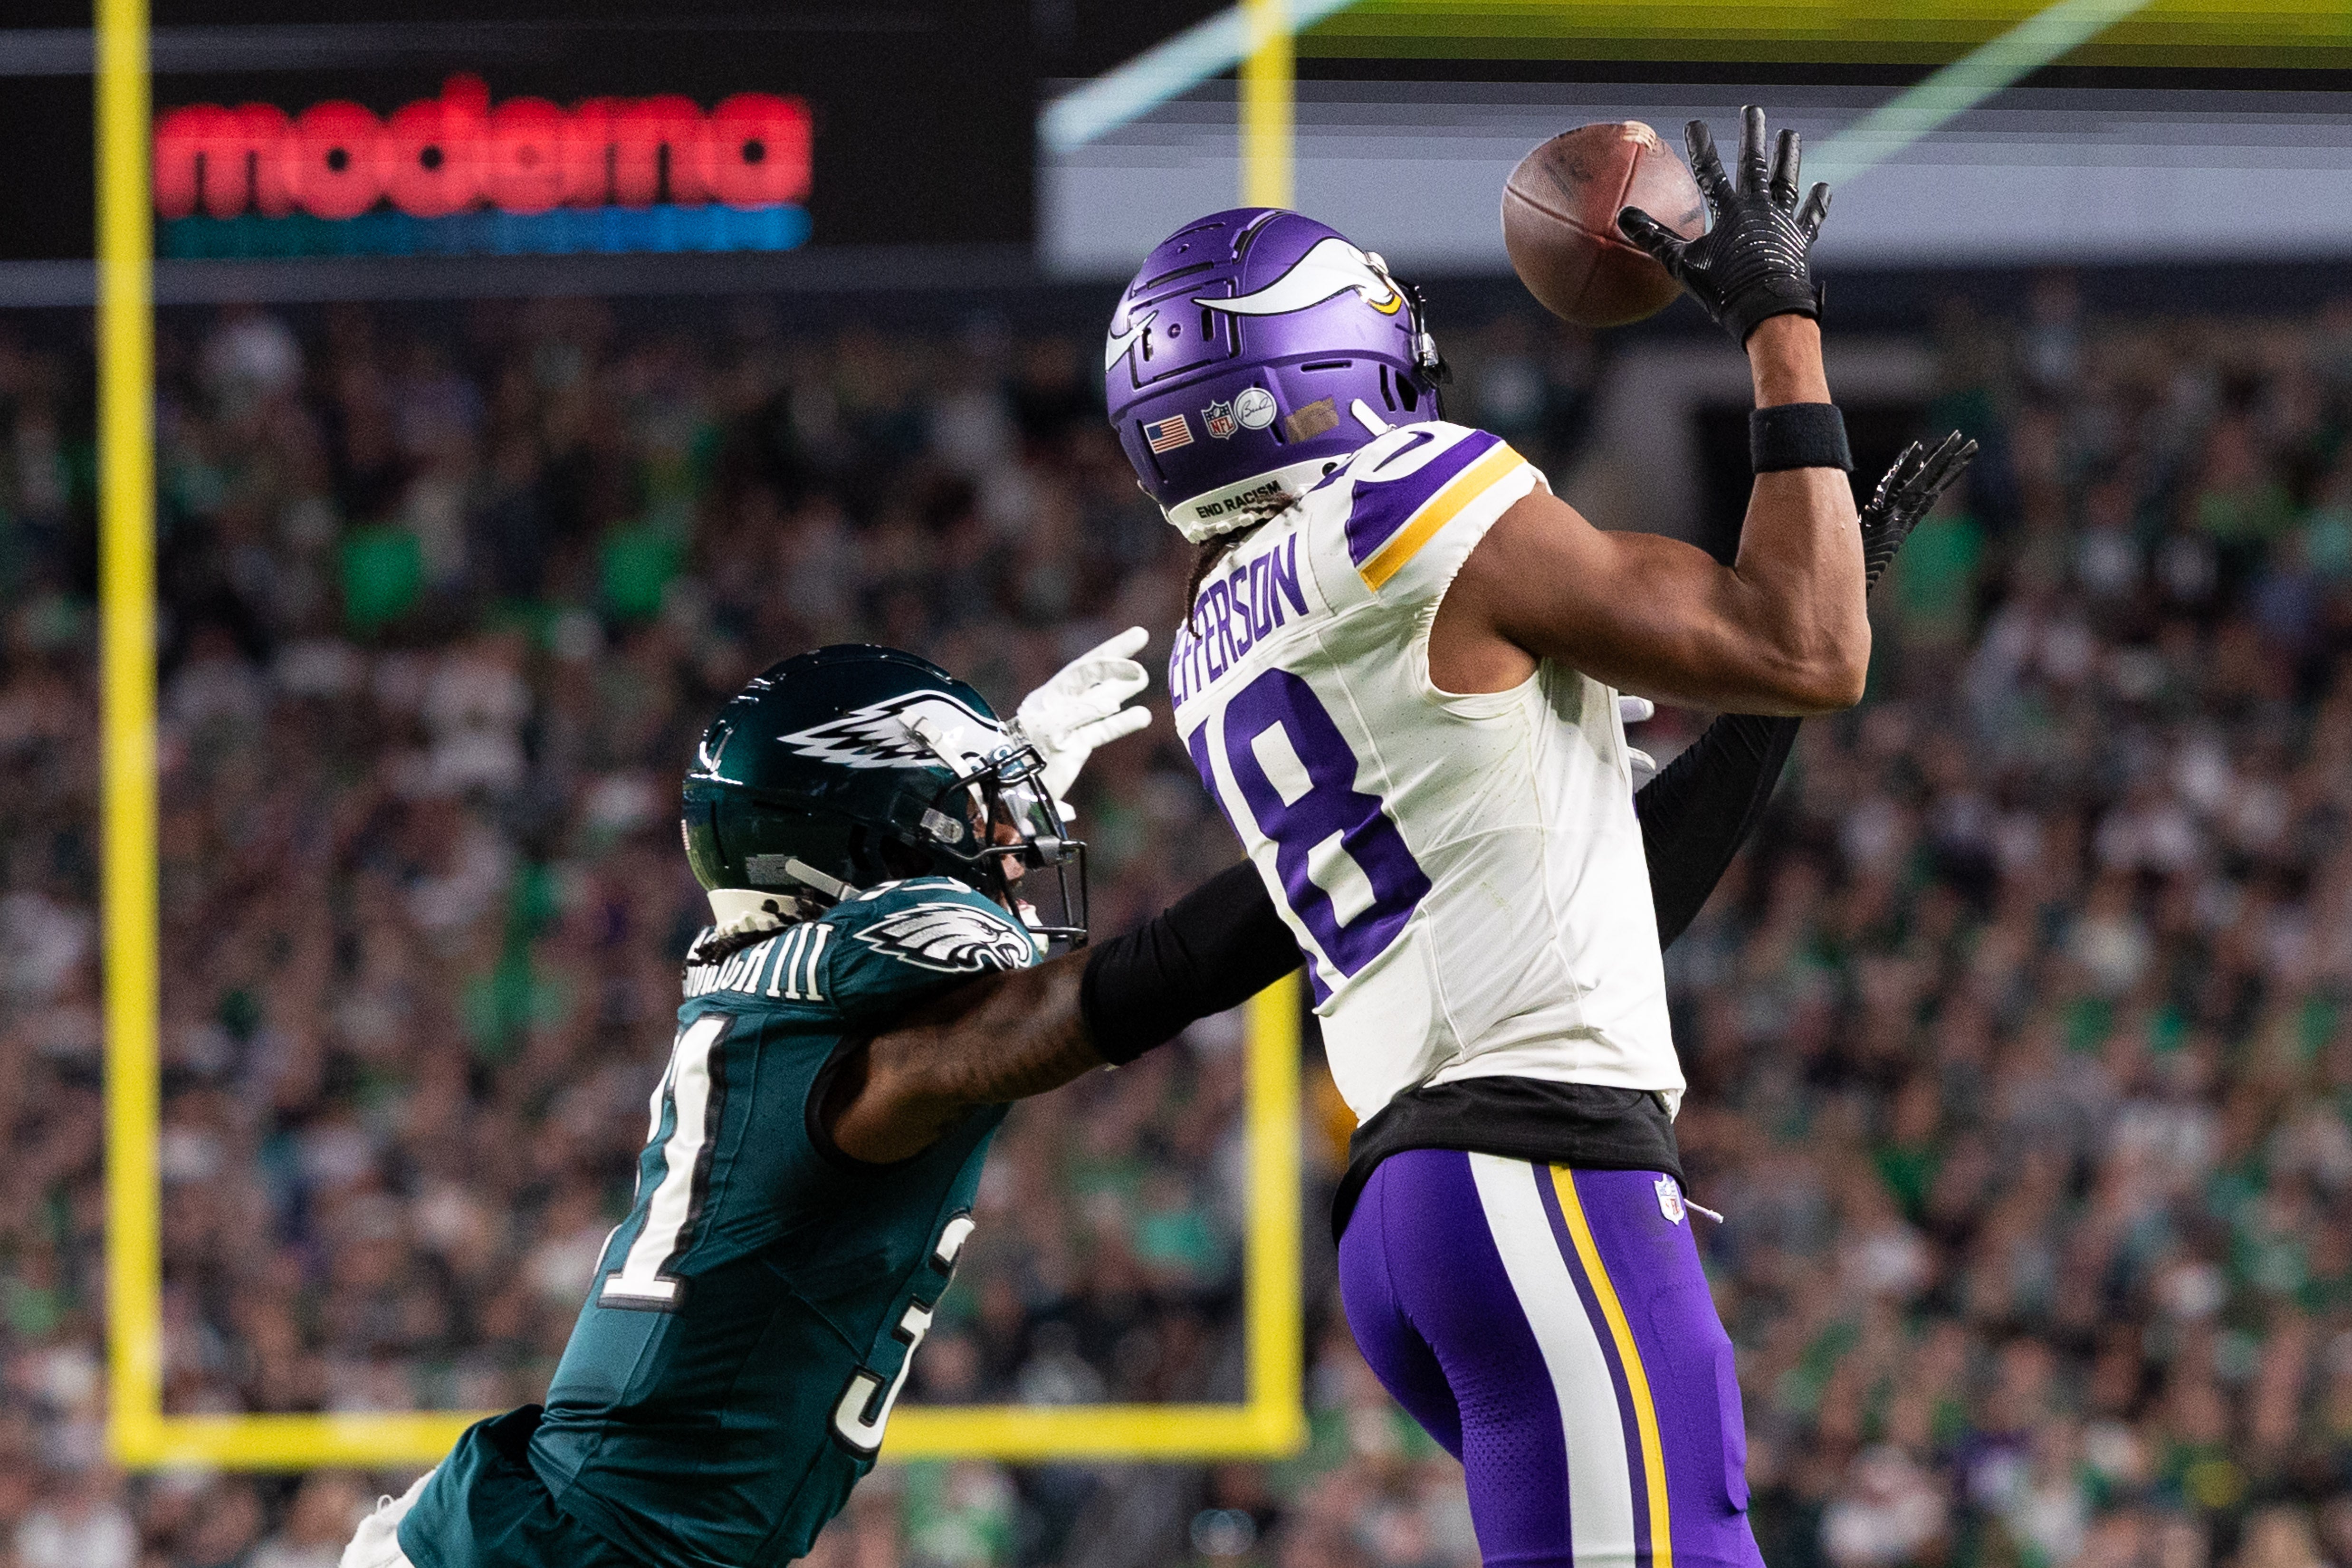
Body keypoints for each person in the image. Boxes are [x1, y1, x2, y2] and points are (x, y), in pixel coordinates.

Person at [1104, 109, 1973, 1568]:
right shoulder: (1410, 506)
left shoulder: (1219, 632)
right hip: (1532, 1173)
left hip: (1432, 1195)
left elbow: (1610, 896)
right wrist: (1775, 317)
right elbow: (1810, 642)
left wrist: (1759, 704)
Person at [342, 638, 1300, 1568]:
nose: (1015, 851)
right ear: (871, 845)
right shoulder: (859, 1062)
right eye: (979, 819)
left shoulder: (783, 1008)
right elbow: (1089, 1003)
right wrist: (1340, 849)